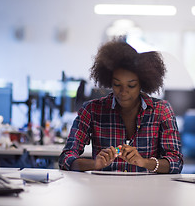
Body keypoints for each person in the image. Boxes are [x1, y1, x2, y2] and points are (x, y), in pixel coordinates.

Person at [58, 39, 183, 173]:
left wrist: (144, 162)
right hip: (104, 190)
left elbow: (176, 163)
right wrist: (94, 164)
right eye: (117, 85)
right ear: (109, 82)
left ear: (142, 83)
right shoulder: (92, 110)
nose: (123, 92)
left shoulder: (161, 110)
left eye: (131, 85)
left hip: (148, 191)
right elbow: (65, 159)